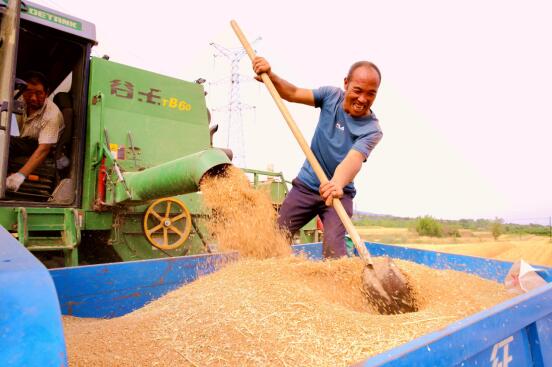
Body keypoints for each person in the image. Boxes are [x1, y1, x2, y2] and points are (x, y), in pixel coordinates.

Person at [252, 57, 383, 258]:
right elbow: (293, 93)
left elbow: (354, 159)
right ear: (346, 83)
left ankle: (335, 286)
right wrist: (271, 76)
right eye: (358, 90)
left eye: (370, 94)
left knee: (334, 251)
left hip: (339, 193)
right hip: (306, 185)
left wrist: (337, 183)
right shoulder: (331, 97)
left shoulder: (372, 129)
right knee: (275, 237)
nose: (363, 99)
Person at [6, 71, 64, 192]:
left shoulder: (52, 115)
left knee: (7, 143)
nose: (33, 98)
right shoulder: (18, 96)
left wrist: (20, 176)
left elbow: (43, 150)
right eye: (29, 92)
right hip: (22, 139)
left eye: (39, 93)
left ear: (47, 93)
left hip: (39, 146)